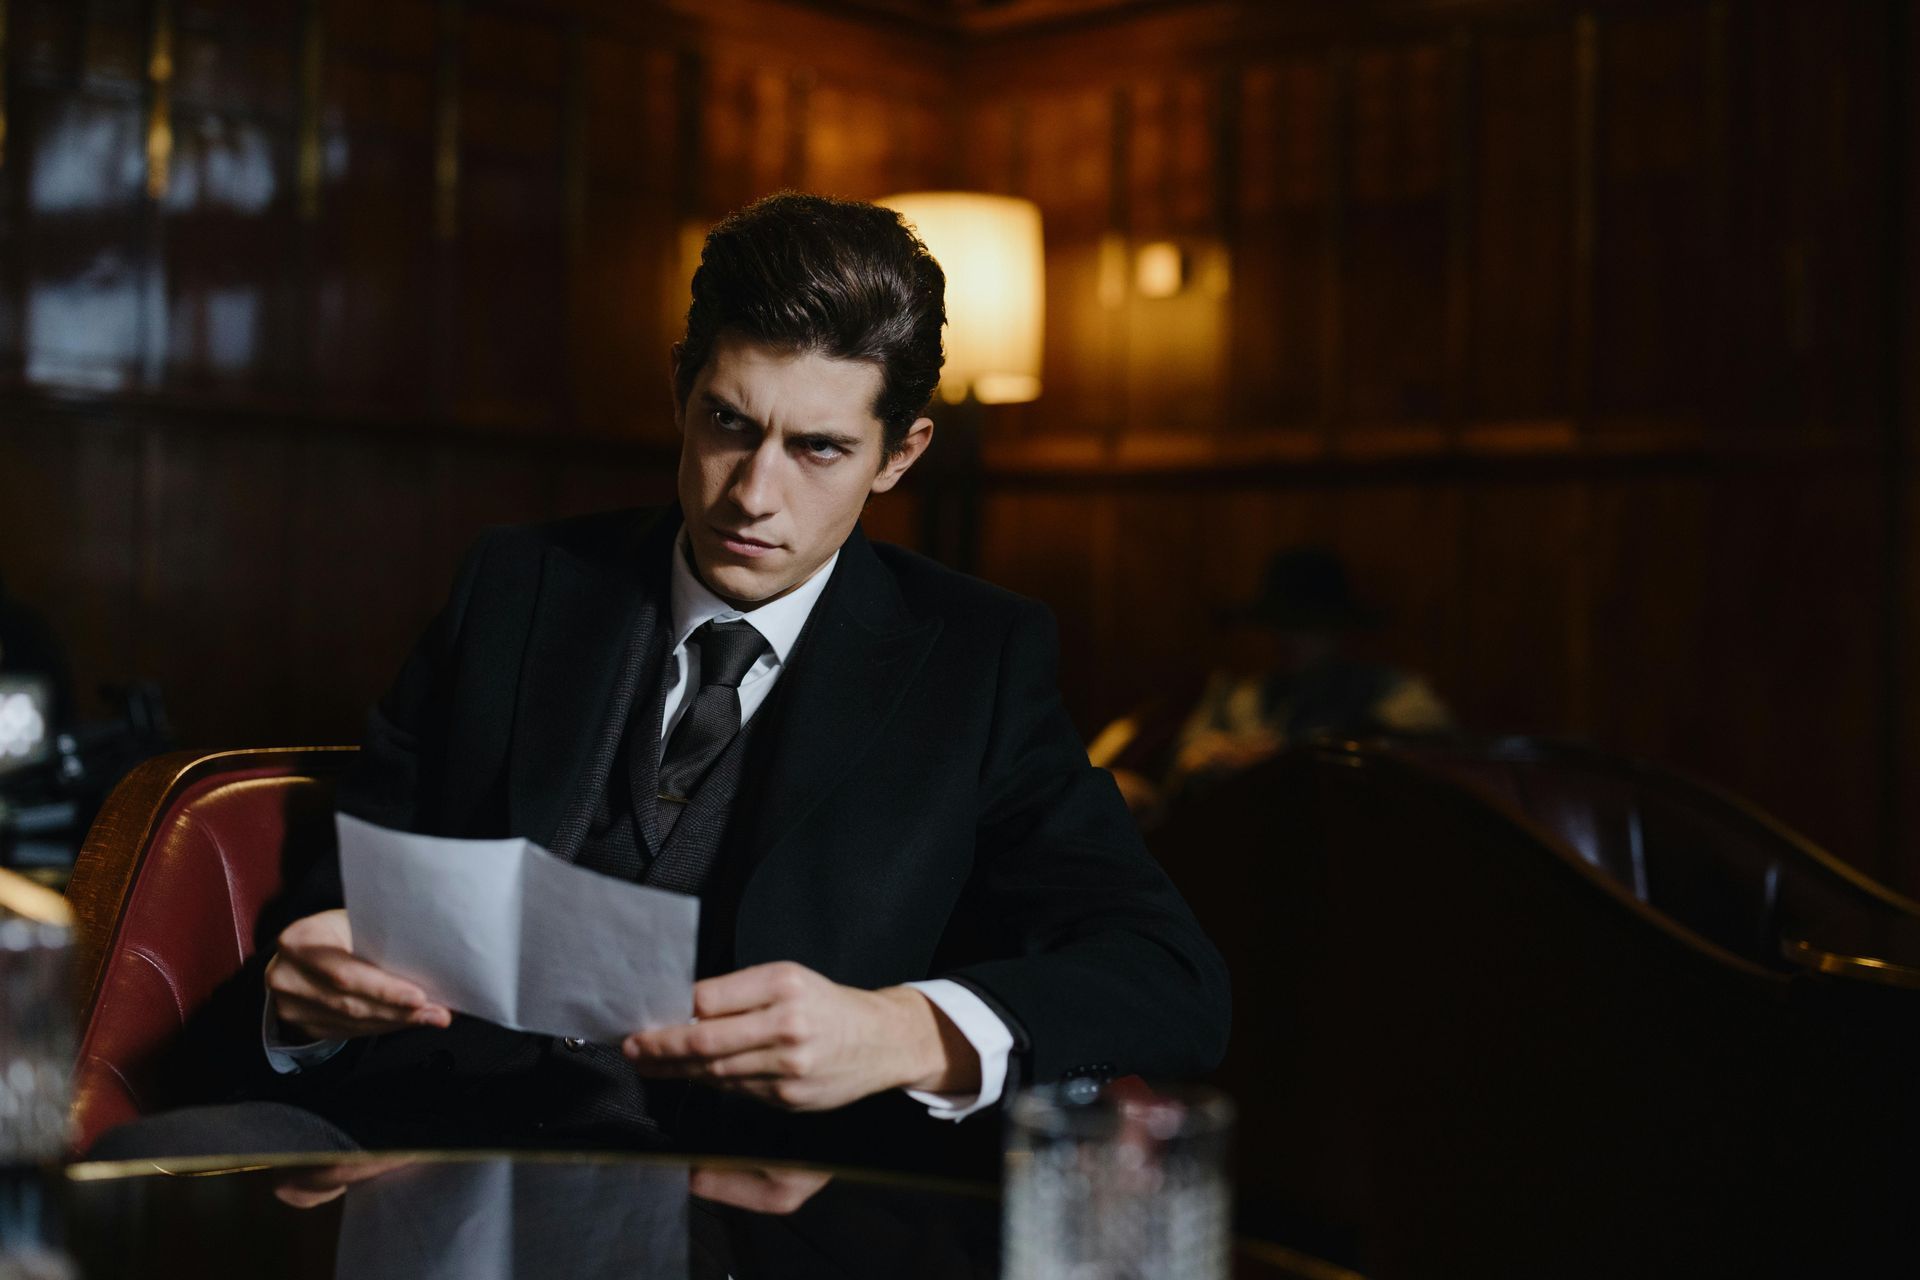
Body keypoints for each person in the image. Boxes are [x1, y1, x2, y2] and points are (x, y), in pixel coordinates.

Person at [91, 192, 1228, 1168]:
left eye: (819, 448)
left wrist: (901, 1030)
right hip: (427, 1160)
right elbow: (338, 894)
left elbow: (1171, 975)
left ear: (902, 453)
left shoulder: (977, 661)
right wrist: (308, 1003)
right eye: (728, 424)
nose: (753, 493)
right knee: (142, 1170)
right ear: (681, 389)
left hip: (766, 1210)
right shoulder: (516, 587)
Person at [1103, 546, 1452, 822]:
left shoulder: (1385, 689)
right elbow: (1184, 766)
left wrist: (1287, 755)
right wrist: (1204, 758)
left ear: (1337, 629)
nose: (1287, 637)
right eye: (1279, 623)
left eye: (1304, 624)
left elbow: (1427, 737)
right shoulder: (1239, 694)